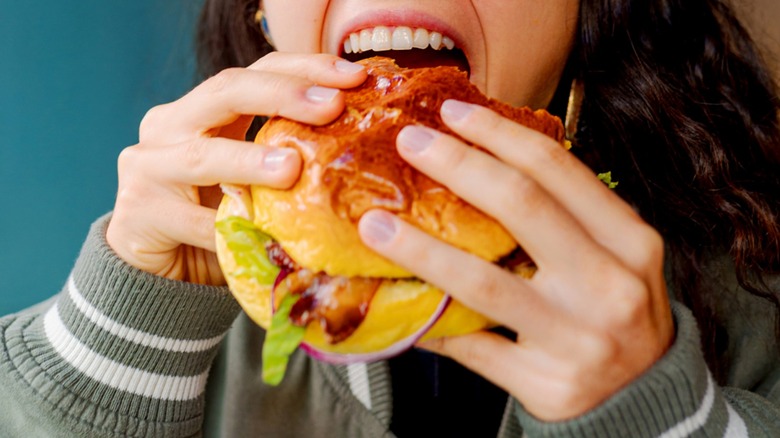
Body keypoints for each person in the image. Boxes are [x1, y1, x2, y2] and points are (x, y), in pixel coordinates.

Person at [1, 0, 779, 436]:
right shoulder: (192, 254)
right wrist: (112, 350)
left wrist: (662, 420)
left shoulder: (756, 281)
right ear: (263, 10)